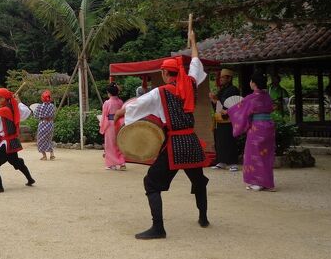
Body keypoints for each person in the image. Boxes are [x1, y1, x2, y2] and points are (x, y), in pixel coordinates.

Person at [114, 29, 210, 239]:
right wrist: (194, 41)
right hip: (192, 142)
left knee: (151, 183)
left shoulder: (161, 92)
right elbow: (195, 62)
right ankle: (203, 217)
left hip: (175, 144)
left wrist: (118, 114)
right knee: (198, 180)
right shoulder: (191, 84)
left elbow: (135, 106)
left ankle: (158, 228)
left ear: (166, 74)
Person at [228, 72, 276, 191]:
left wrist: (228, 111)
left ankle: (257, 182)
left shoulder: (251, 98)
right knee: (266, 155)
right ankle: (266, 182)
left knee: (254, 154)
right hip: (269, 127)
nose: (250, 83)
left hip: (257, 128)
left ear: (253, 83)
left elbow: (239, 111)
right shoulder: (267, 96)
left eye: (251, 81)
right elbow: (271, 108)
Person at [209, 68, 240, 170]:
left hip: (229, 118)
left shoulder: (233, 90)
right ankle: (221, 160)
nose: (221, 79)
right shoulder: (221, 90)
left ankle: (233, 162)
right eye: (221, 77)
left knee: (229, 140)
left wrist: (217, 99)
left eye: (223, 77)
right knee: (219, 140)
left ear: (229, 78)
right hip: (220, 118)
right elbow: (218, 104)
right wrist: (214, 100)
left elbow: (232, 104)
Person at [100, 83, 126, 171]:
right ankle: (122, 162)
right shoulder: (120, 102)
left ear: (109, 93)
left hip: (110, 124)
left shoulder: (107, 103)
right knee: (119, 143)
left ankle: (111, 164)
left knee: (110, 144)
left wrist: (102, 125)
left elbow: (104, 115)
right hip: (119, 122)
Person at [33, 90, 56, 160]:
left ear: (42, 98)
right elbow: (53, 115)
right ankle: (52, 154)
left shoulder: (40, 106)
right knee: (49, 139)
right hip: (50, 124)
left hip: (43, 124)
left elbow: (36, 115)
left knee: (40, 140)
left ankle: (44, 156)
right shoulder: (52, 106)